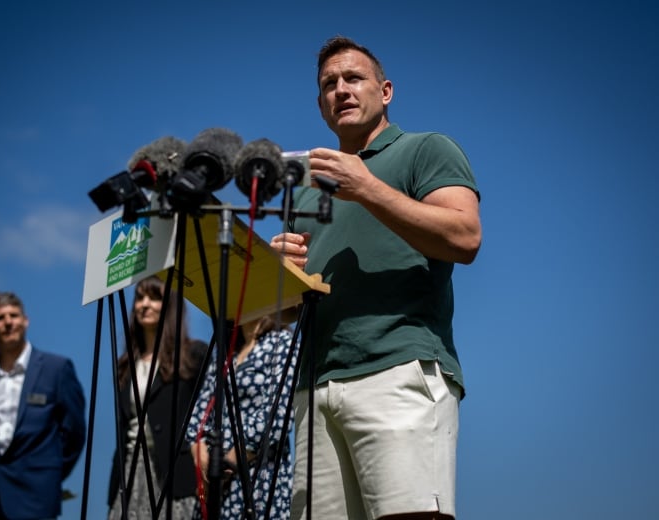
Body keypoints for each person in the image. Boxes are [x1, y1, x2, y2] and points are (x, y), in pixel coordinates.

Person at [269, 36, 482, 520]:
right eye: (329, 84)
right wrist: (275, 274)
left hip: (397, 368)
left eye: (353, 78)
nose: (340, 89)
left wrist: (366, 187)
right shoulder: (304, 191)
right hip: (314, 388)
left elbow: (465, 237)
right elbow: (285, 312)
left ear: (385, 91)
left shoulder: (425, 150)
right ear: (321, 104)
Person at [0, 292, 86, 520]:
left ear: (25, 320)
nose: (8, 322)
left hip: (34, 497)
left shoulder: (56, 369)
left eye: (13, 315)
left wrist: (49, 472)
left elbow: (74, 433)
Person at [107, 275, 207, 520]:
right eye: (140, 297)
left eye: (154, 297)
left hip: (175, 475)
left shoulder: (194, 354)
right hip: (129, 473)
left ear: (171, 305)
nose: (144, 304)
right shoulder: (126, 365)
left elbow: (209, 412)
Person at [186, 315, 297, 520]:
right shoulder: (227, 354)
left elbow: (278, 413)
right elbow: (197, 415)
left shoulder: (281, 343)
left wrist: (227, 463)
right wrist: (201, 455)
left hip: (258, 479)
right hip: (214, 489)